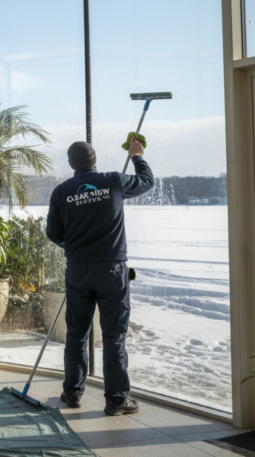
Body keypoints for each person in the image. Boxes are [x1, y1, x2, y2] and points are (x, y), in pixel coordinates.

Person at [45, 138, 153, 416]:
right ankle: (117, 400)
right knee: (114, 335)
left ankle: (72, 392)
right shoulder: (114, 180)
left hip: (78, 270)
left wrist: (75, 247)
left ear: (71, 164)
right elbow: (146, 181)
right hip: (112, 270)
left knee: (77, 333)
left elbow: (54, 234)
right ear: (95, 160)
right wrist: (137, 155)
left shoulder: (61, 192)